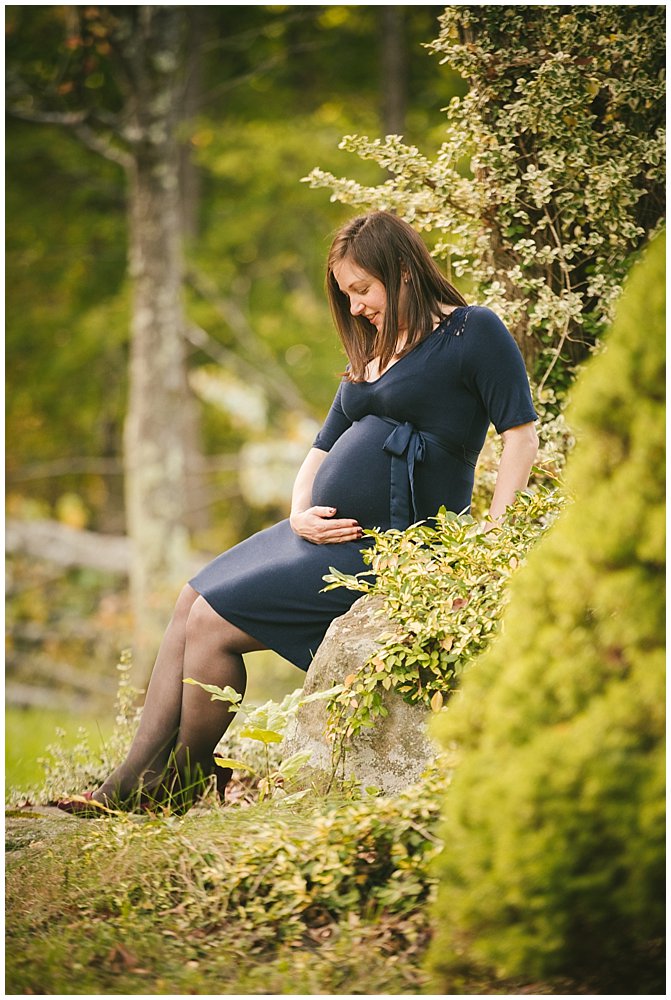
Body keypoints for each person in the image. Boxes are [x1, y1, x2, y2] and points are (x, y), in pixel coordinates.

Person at [57, 211, 538, 816]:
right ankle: (139, 777)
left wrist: (490, 539)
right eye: (347, 295)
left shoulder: (472, 333)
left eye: (363, 289)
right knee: (191, 598)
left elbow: (520, 435)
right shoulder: (376, 348)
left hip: (396, 544)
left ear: (403, 270)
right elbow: (320, 448)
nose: (356, 306)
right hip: (321, 533)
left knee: (211, 621)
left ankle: (165, 784)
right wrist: (299, 512)